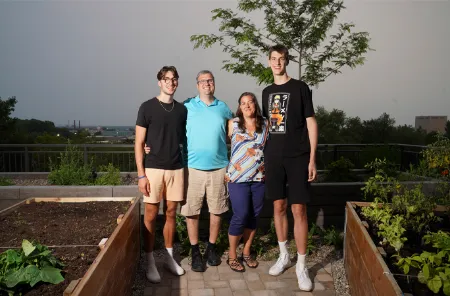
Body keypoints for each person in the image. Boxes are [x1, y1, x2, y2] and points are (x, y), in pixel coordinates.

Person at [262, 45, 319, 291]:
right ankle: (284, 255)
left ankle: (302, 265)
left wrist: (312, 158)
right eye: (273, 59)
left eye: (281, 59)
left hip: (298, 157)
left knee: (299, 210)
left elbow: (311, 122)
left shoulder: (300, 87)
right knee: (278, 205)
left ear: (287, 61)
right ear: (269, 62)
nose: (277, 63)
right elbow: (265, 127)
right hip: (273, 158)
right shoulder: (266, 92)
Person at [135, 66, 187, 283]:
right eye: (167, 79)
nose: (171, 82)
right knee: (150, 215)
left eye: (174, 79)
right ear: (159, 82)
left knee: (172, 213)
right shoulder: (147, 107)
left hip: (176, 167)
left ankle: (169, 257)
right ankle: (150, 261)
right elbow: (138, 143)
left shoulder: (182, 110)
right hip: (153, 169)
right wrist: (141, 175)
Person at [180, 70, 233, 272]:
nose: (206, 84)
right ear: (197, 85)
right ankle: (195, 251)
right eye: (202, 81)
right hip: (193, 168)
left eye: (210, 80)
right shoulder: (187, 106)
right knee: (191, 211)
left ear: (214, 84)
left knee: (217, 209)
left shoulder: (223, 107)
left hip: (219, 167)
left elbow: (233, 133)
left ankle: (211, 248)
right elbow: (170, 127)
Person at [225, 92, 269, 272]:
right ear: (239, 106)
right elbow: (218, 143)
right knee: (240, 214)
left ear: (255, 104)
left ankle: (247, 252)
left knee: (254, 216)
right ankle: (232, 255)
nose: (247, 105)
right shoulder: (232, 124)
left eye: (250, 102)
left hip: (259, 178)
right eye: (243, 103)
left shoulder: (265, 124)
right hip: (237, 178)